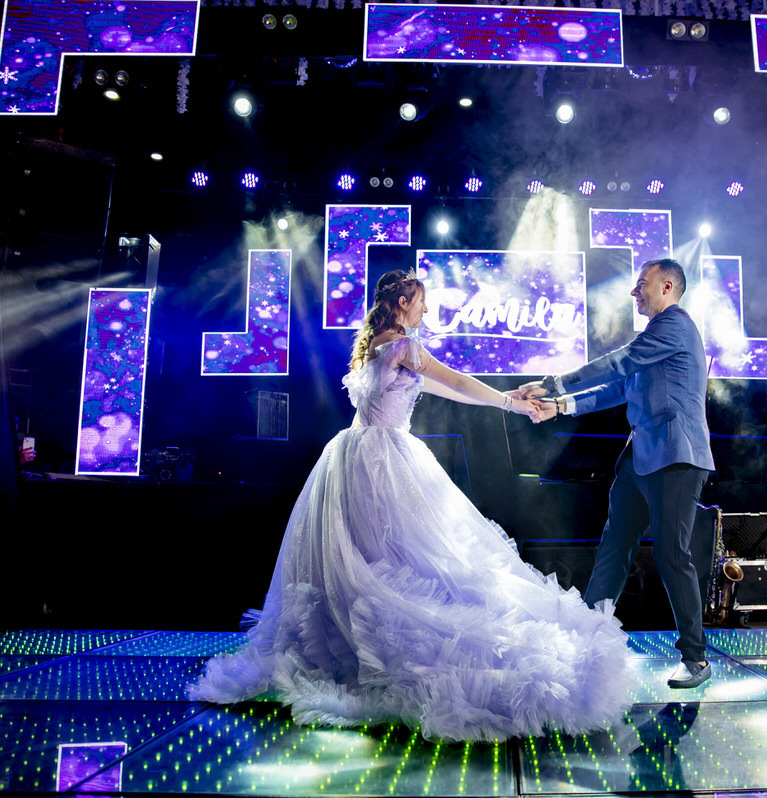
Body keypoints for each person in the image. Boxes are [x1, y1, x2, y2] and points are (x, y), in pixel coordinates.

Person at [189, 269, 635, 741]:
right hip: (385, 457)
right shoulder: (404, 345)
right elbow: (458, 382)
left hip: (351, 455)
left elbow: (444, 387)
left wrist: (505, 399)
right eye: (421, 301)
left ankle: (350, 653)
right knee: (410, 553)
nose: (426, 310)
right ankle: (378, 658)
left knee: (372, 556)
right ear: (402, 303)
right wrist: (509, 402)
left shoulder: (378, 345)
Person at [519, 258, 715, 690]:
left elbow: (619, 363)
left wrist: (555, 383)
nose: (634, 292)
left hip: (676, 457)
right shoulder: (657, 337)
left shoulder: (675, 326)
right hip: (639, 459)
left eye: (641, 284)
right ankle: (585, 641)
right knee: (613, 549)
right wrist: (561, 406)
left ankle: (696, 658)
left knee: (669, 554)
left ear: (667, 287)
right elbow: (619, 388)